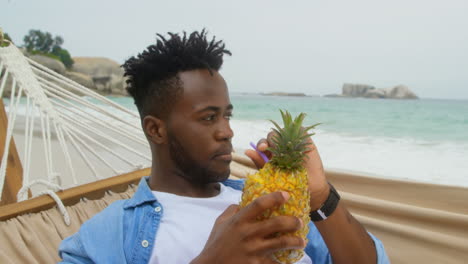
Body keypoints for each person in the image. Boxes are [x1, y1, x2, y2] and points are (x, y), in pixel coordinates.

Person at [59, 30, 389, 264]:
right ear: (156, 129)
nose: (227, 132)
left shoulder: (273, 202)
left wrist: (319, 197)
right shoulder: (109, 234)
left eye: (227, 116)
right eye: (208, 118)